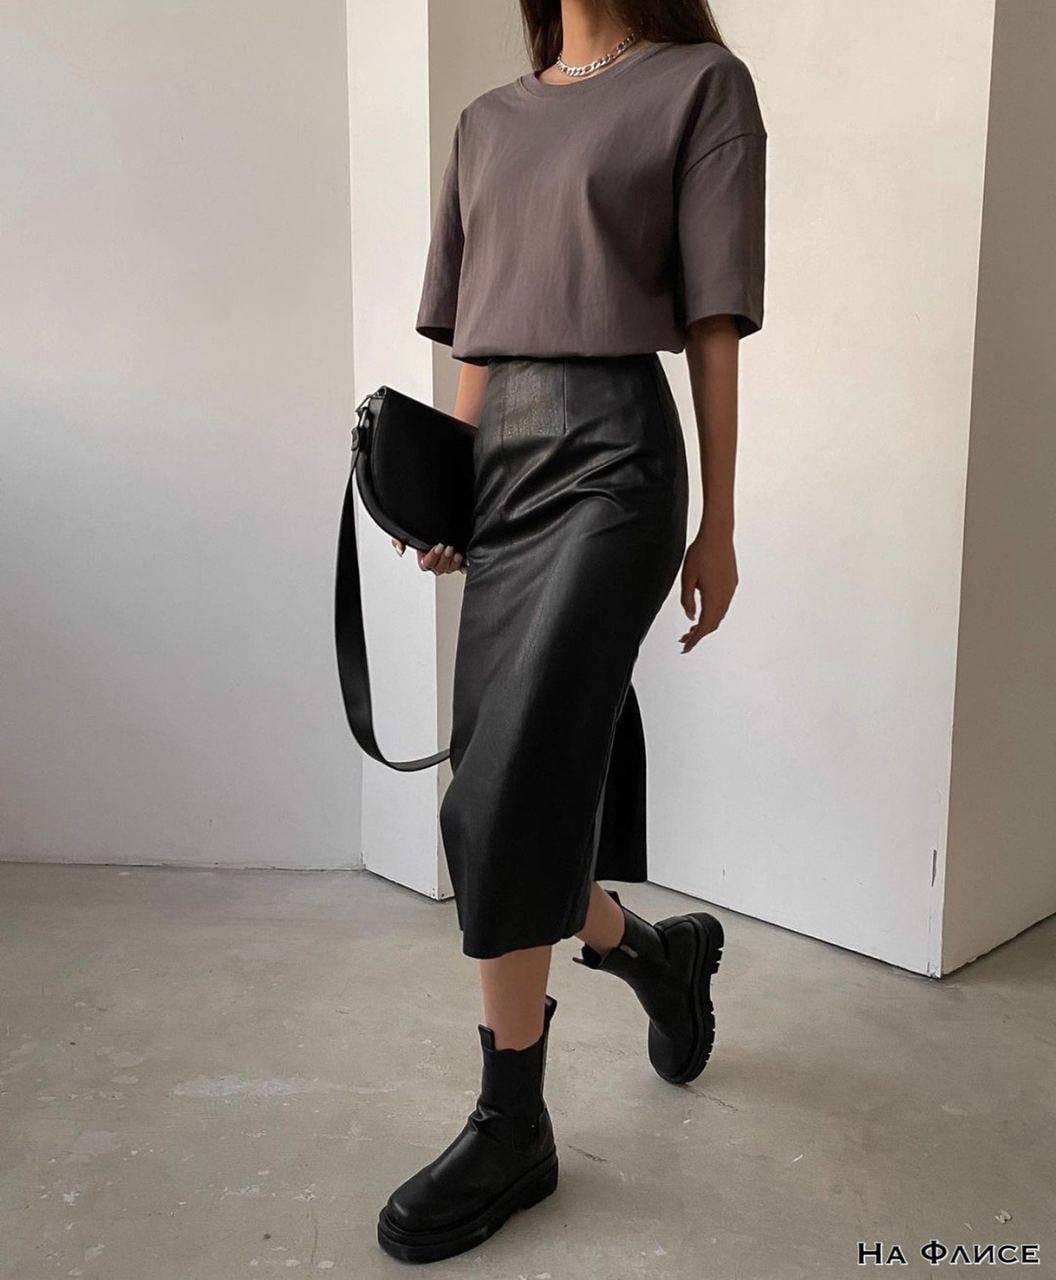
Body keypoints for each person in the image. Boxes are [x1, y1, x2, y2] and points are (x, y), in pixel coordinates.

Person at [377, 0, 766, 1263]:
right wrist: (450, 488)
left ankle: (513, 1124)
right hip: (506, 457)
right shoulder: (487, 122)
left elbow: (712, 318)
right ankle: (654, 956)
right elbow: (472, 331)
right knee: (497, 785)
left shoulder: (700, 86)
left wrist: (718, 519)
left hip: (615, 461)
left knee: (513, 782)